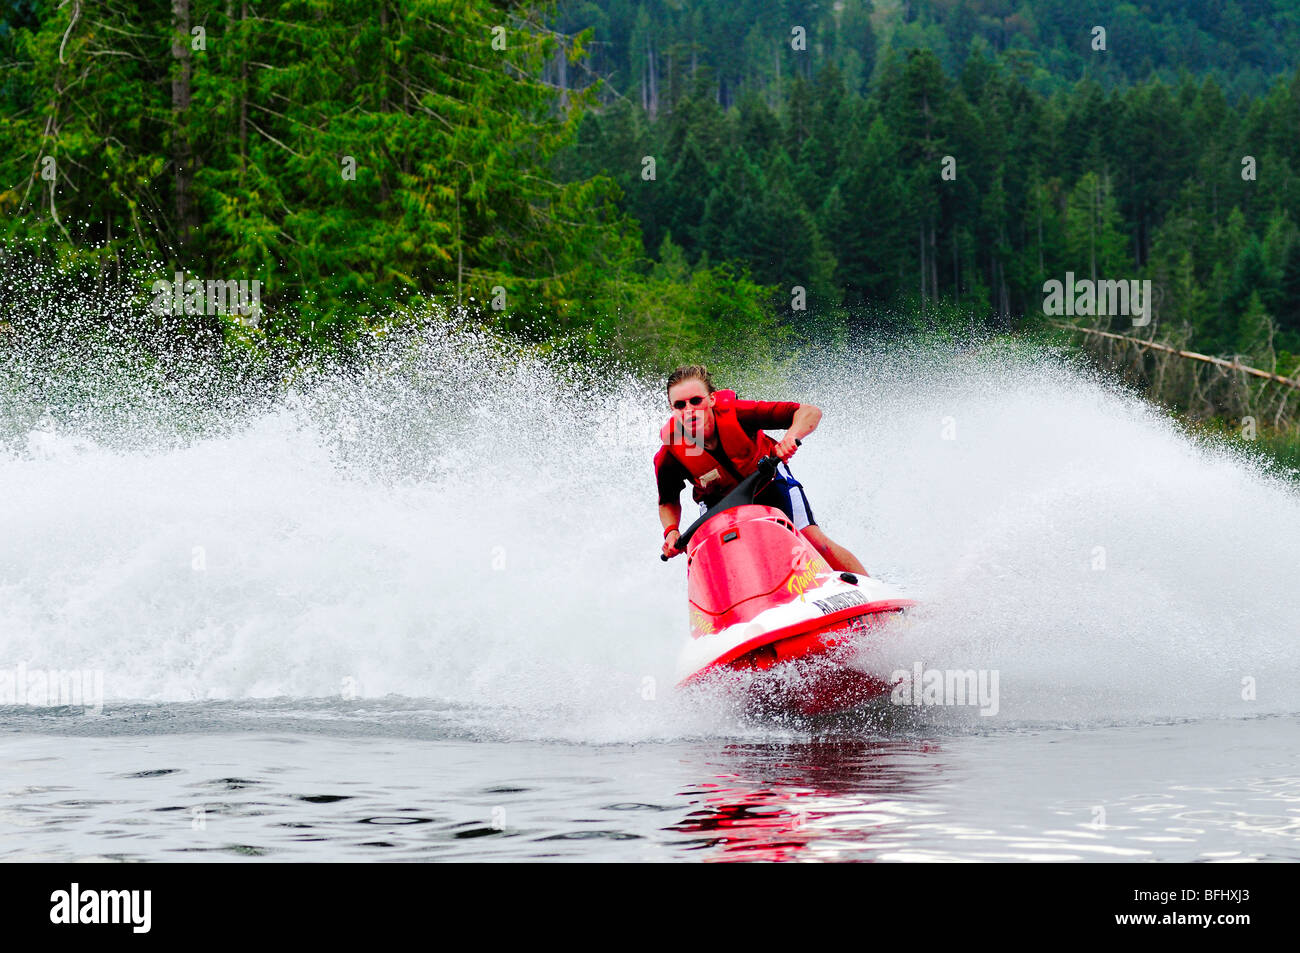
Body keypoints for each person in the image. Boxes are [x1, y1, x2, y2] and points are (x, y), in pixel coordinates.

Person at [655, 364, 867, 573]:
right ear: (672, 409)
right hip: (721, 505)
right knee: (719, 562)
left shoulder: (738, 414)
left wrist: (790, 439)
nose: (689, 410)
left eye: (695, 401)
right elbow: (667, 501)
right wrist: (671, 531)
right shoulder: (671, 453)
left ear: (712, 399)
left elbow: (809, 412)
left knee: (813, 542)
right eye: (680, 405)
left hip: (771, 482)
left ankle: (872, 593)